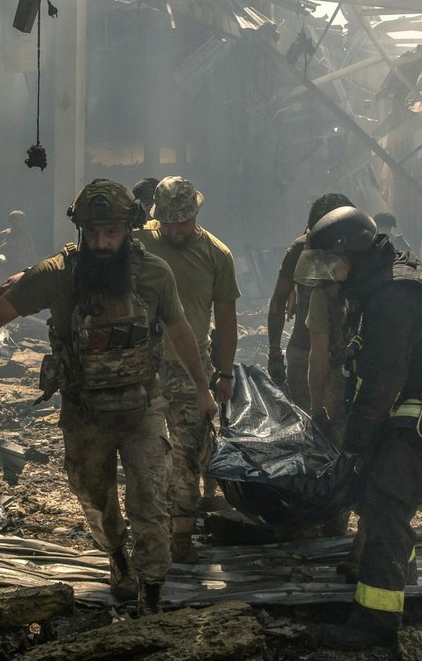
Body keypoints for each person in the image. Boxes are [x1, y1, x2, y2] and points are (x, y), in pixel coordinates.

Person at [0, 179, 217, 616]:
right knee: (95, 498)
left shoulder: (154, 274)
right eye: (93, 233)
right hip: (85, 412)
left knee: (151, 501)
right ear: (81, 231)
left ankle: (151, 591)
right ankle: (118, 556)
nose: (102, 243)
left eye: (111, 232)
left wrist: (202, 388)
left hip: (143, 408)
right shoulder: (58, 274)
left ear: (128, 229)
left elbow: (180, 330)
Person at [297, 207, 422, 650]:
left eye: (333, 263)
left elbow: (383, 380)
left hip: (418, 418)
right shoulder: (390, 273)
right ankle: (402, 576)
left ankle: (374, 621)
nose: (330, 274)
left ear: (353, 253)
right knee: (384, 504)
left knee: (384, 509)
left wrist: (354, 445)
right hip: (409, 410)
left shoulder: (392, 298)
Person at [136, 176, 239, 563]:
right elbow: (88, 254)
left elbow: (226, 320)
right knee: (143, 454)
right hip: (140, 367)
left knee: (186, 455)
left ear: (195, 214)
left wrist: (224, 373)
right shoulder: (140, 242)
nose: (174, 229)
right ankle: (148, 528)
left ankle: (180, 537)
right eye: (168, 222)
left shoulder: (216, 254)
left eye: (182, 221)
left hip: (190, 370)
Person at [266, 193, 354, 407]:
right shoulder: (300, 249)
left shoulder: (357, 250)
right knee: (304, 418)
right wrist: (275, 352)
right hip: (304, 349)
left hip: (346, 354)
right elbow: (278, 300)